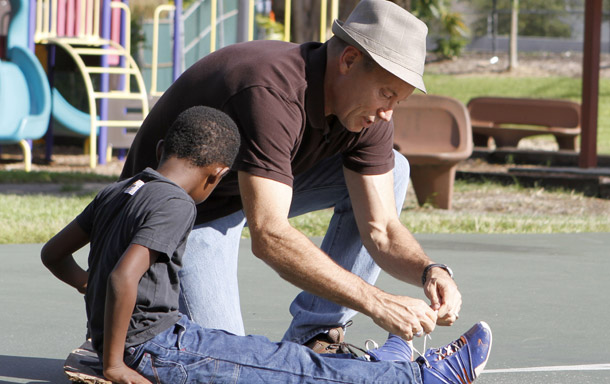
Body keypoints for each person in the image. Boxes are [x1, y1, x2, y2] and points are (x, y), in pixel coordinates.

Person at [41, 105, 493, 384]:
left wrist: (92, 288)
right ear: (217, 175)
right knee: (288, 367)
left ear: (163, 147)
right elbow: (124, 276)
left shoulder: (120, 190)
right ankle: (421, 378)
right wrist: (117, 364)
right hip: (158, 350)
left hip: (151, 340)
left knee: (276, 358)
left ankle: (390, 363)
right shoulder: (176, 204)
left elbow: (53, 254)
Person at [120, 0, 462, 351]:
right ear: (348, 60)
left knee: (393, 168)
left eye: (397, 101)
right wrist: (376, 302)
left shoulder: (368, 114)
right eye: (386, 94)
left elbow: (383, 230)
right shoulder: (270, 90)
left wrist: (430, 271)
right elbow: (269, 234)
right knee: (227, 364)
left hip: (241, 189)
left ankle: (316, 335)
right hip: (182, 215)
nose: (388, 114)